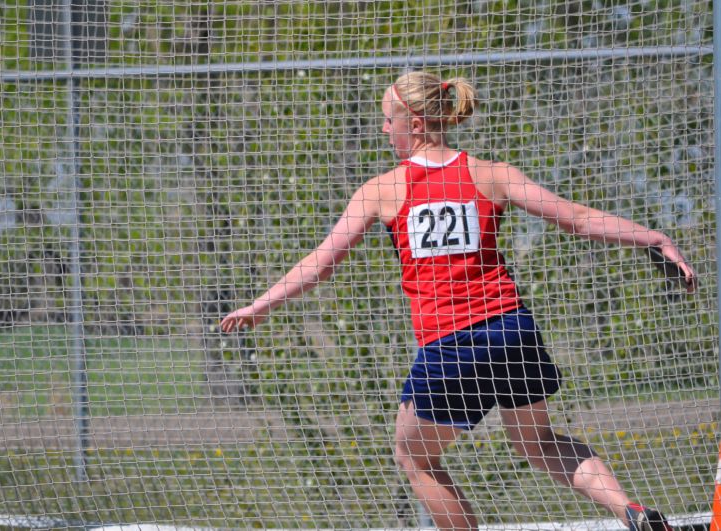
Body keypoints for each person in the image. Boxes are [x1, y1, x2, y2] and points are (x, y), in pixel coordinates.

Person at [221, 71, 696, 531]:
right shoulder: (491, 175)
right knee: (539, 443)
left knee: (414, 457)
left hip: (450, 345)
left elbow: (320, 264)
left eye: (390, 119)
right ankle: (629, 510)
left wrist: (258, 306)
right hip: (512, 330)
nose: (384, 129)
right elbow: (573, 217)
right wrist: (651, 237)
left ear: (417, 123)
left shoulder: (384, 189)